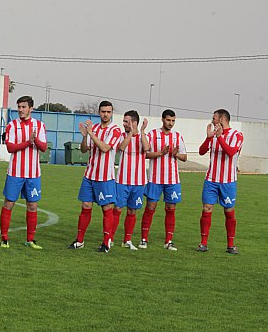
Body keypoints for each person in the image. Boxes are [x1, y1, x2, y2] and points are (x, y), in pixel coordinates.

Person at [67, 100, 122, 253]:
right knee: (85, 206)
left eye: (108, 112)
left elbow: (105, 148)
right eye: (103, 111)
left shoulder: (115, 130)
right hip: (90, 174)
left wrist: (91, 133)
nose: (105, 114)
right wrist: (85, 137)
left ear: (111, 113)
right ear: (99, 112)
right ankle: (79, 241)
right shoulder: (95, 128)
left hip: (105, 177)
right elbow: (85, 150)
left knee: (106, 209)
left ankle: (106, 242)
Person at [0, 96, 47, 249]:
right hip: (15, 172)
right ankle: (4, 238)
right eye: (19, 107)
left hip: (33, 174)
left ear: (31, 108)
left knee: (32, 205)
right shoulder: (12, 125)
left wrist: (35, 140)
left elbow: (44, 147)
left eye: (24, 107)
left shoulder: (39, 126)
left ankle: (30, 239)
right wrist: (29, 142)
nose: (21, 110)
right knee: (9, 203)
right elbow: (10, 147)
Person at [197, 109, 244, 254]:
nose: (212, 121)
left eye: (214, 118)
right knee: (206, 209)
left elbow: (230, 152)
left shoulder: (237, 135)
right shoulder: (214, 136)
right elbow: (201, 151)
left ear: (222, 119)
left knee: (229, 212)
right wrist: (208, 138)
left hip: (228, 181)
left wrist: (220, 137)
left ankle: (230, 245)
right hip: (211, 179)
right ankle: (203, 243)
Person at [139, 109, 187, 251]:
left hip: (172, 180)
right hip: (155, 179)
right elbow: (145, 154)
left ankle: (168, 241)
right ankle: (143, 239)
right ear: (162, 119)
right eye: (168, 120)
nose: (170, 123)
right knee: (150, 207)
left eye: (173, 121)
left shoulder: (177, 137)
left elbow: (184, 157)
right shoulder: (153, 134)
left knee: (171, 209)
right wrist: (161, 153)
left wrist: (176, 154)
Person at [110, 110, 150, 250]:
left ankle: (127, 240)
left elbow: (147, 148)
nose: (124, 124)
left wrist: (142, 131)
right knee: (117, 209)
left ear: (134, 123)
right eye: (124, 121)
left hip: (139, 182)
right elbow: (121, 148)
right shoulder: (121, 136)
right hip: (122, 180)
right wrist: (130, 134)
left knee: (132, 211)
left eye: (126, 121)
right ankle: (110, 238)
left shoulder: (143, 136)